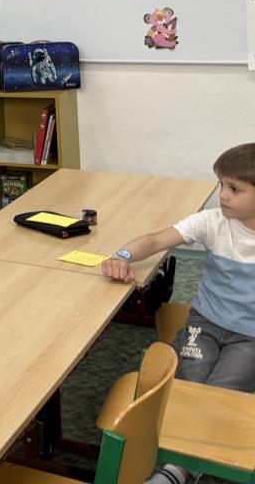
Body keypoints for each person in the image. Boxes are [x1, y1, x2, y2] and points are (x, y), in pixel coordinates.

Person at [100, 142, 255, 484]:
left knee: (223, 392)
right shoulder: (213, 222)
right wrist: (121, 256)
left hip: (250, 337)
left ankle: (179, 471)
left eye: (234, 189)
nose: (223, 195)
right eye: (221, 184)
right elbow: (156, 240)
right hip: (205, 323)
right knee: (189, 383)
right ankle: (182, 467)